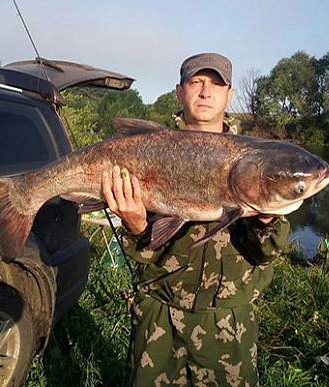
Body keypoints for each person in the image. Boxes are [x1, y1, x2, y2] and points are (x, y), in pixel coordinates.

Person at [101, 53, 290, 387]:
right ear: (179, 92)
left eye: (216, 83)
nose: (206, 91)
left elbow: (265, 253)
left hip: (229, 323)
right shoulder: (148, 149)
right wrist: (135, 224)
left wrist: (264, 219)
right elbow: (147, 251)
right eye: (196, 82)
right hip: (158, 313)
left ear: (230, 95)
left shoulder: (259, 162)